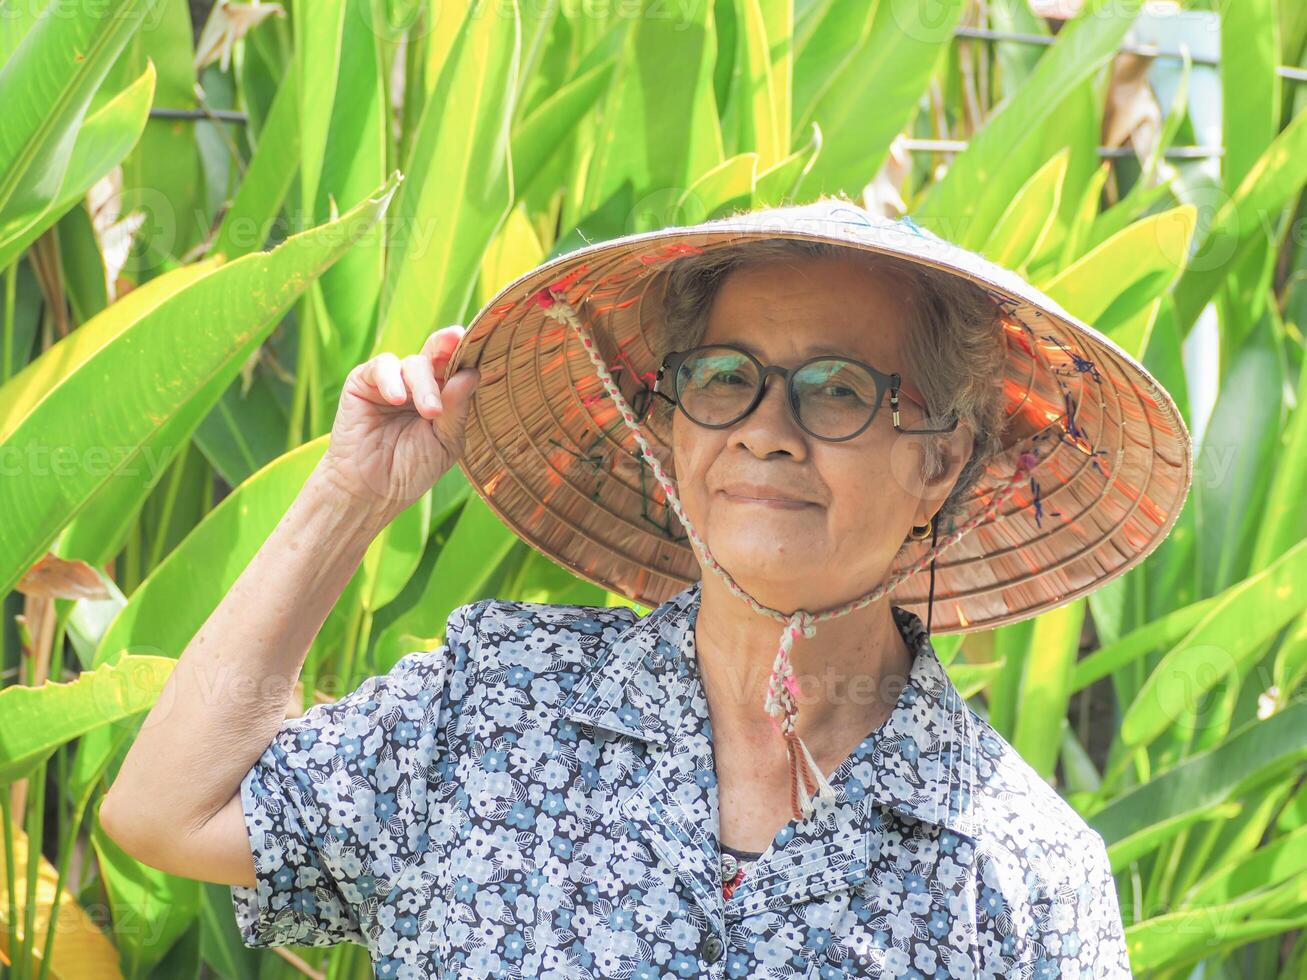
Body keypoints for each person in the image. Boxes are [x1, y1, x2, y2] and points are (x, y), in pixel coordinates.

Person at [102, 195, 1190, 977]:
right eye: (724, 379)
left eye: (837, 389)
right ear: (669, 428)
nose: (766, 430)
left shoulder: (1018, 875)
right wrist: (351, 494)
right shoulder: (497, 709)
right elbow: (168, 807)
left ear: (939, 459)